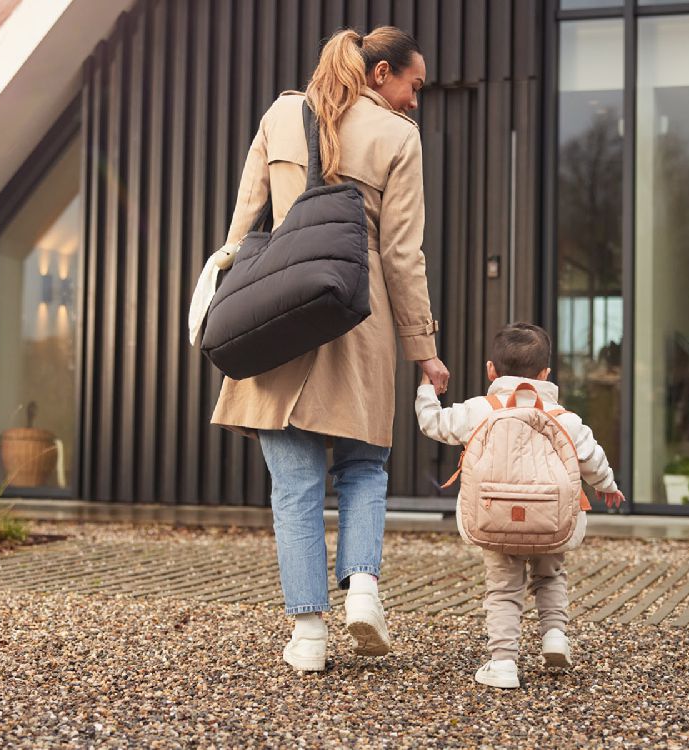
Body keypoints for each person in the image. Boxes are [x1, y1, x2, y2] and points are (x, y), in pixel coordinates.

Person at [209, 27, 449, 672]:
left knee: (293, 487)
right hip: (356, 313)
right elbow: (402, 256)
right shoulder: (399, 137)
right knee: (365, 468)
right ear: (379, 74)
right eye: (413, 84)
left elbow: (244, 222)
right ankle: (363, 589)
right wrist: (423, 348)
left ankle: (308, 636)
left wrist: (226, 295)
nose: (415, 100)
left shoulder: (283, 113)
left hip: (279, 307)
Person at [415, 323, 623, 689]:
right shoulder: (563, 418)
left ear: (491, 371)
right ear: (546, 374)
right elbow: (592, 457)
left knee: (503, 589)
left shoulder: (481, 410)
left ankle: (504, 664)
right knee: (551, 575)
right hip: (552, 519)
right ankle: (555, 635)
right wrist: (607, 486)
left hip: (496, 518)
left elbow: (433, 423)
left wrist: (426, 386)